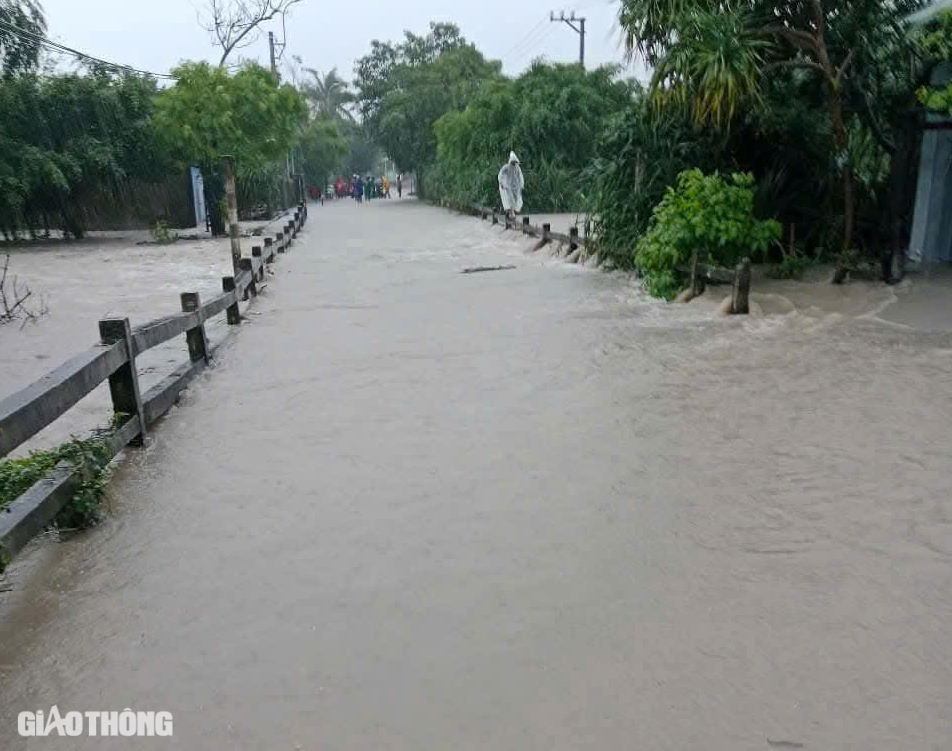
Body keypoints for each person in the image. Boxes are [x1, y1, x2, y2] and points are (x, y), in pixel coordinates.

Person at [498, 151, 524, 219]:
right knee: (510, 199)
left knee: (516, 200)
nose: (514, 163)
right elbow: (501, 174)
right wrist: (501, 182)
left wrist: (521, 185)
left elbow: (520, 176)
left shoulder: (517, 168)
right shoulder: (506, 167)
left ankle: (512, 213)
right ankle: (511, 213)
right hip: (508, 186)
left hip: (516, 186)